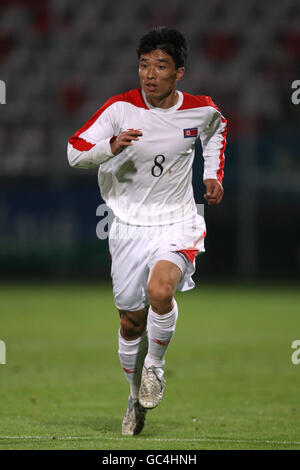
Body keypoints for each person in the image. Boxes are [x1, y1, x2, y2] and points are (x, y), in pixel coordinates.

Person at [67, 26, 227, 436]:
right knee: (130, 323)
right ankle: (135, 396)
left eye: (160, 66)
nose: (149, 74)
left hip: (177, 220)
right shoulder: (120, 110)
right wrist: (111, 147)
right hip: (127, 227)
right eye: (143, 65)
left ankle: (155, 368)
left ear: (179, 73)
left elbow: (216, 129)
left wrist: (213, 174)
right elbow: (74, 152)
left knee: (161, 291)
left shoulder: (199, 109)